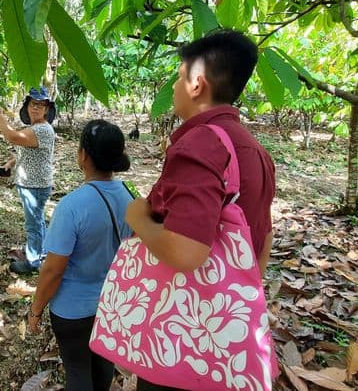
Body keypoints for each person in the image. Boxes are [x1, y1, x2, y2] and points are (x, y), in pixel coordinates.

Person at [124, 30, 276, 390]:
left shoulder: (199, 144)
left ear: (196, 84)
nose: (174, 87)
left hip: (180, 337)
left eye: (178, 77)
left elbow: (185, 250)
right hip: (224, 336)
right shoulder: (256, 150)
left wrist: (137, 216)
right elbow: (263, 239)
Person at [27, 119, 134, 391]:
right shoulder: (129, 197)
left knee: (77, 370)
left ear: (83, 155)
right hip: (110, 304)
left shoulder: (71, 206)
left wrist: (36, 310)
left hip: (73, 310)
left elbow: (53, 269)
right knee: (103, 365)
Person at [0, 86, 56, 274]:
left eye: (40, 105)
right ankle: (39, 251)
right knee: (37, 221)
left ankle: (33, 262)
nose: (35, 108)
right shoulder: (35, 128)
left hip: (34, 185)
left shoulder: (43, 130)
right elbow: (27, 149)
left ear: (46, 109)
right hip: (32, 183)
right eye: (32, 104)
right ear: (27, 107)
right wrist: (12, 162)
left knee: (33, 224)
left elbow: (12, 137)